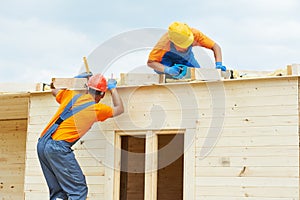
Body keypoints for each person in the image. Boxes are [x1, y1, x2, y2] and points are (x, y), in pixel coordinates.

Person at [37, 74, 124, 200]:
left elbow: (53, 89)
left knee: (59, 193)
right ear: (103, 95)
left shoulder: (70, 96)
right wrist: (113, 88)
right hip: (58, 148)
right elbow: (119, 109)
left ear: (87, 89)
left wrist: (73, 80)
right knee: (78, 190)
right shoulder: (97, 109)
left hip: (42, 144)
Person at [147, 21, 226, 77]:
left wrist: (218, 64)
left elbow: (215, 46)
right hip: (166, 60)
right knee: (166, 75)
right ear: (172, 41)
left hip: (187, 58)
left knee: (198, 75)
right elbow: (151, 62)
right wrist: (167, 70)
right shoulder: (163, 43)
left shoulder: (195, 34)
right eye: (182, 45)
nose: (185, 48)